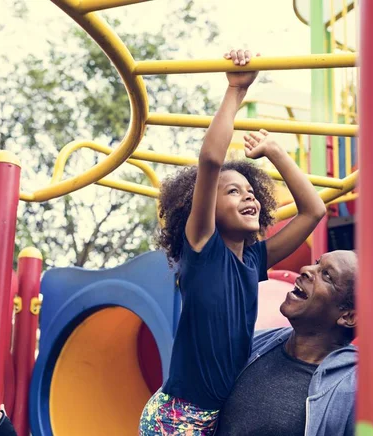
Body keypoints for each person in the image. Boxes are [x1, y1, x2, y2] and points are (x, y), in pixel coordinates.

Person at [139, 48, 326, 435]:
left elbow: (313, 212)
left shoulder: (254, 260)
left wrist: (274, 151)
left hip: (216, 414)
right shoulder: (203, 248)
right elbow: (210, 160)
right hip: (178, 416)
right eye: (233, 192)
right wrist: (236, 91)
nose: (249, 197)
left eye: (251, 191)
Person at [216, 250, 358, 436]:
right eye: (316, 263)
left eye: (327, 275)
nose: (306, 269)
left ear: (348, 316)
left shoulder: (354, 389)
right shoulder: (255, 344)